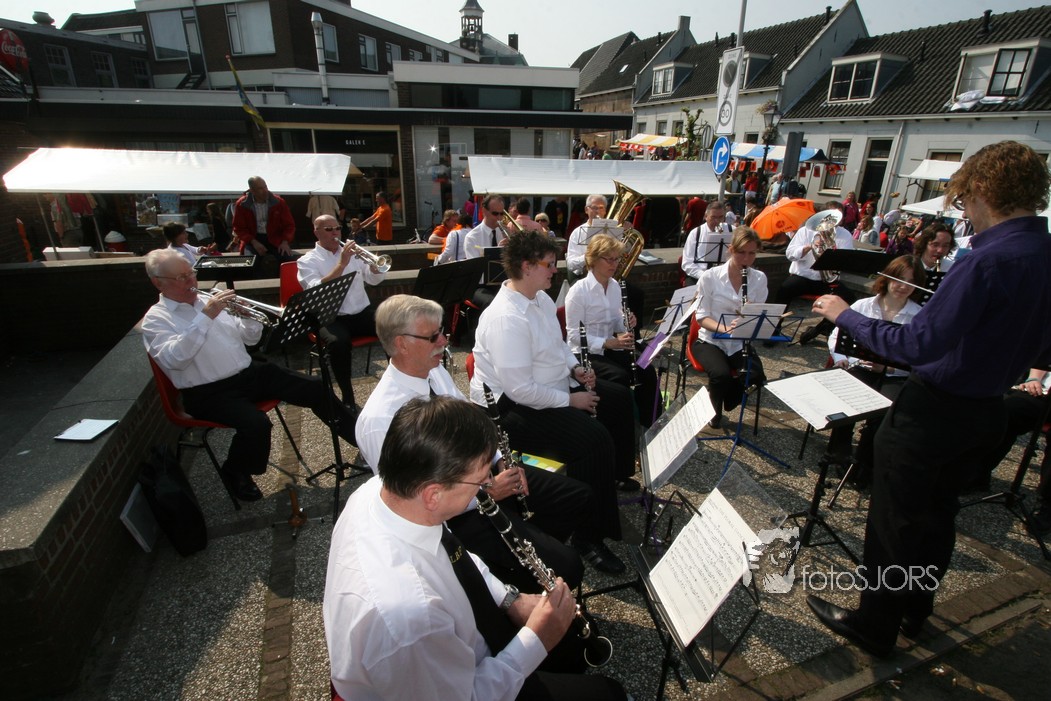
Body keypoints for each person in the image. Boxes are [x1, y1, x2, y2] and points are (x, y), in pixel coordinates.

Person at [806, 140, 1051, 658]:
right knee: (938, 516)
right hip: (987, 409)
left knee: (895, 523)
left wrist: (845, 315)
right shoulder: (1043, 252)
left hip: (934, 411)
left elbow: (917, 345)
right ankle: (915, 609)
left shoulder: (986, 261)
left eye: (964, 201)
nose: (966, 214)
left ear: (982, 188)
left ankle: (875, 624)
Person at [324, 396, 627, 701]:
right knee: (610, 694)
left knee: (571, 645)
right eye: (480, 484)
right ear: (433, 495)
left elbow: (455, 554)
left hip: (456, 640)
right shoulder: (410, 619)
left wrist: (511, 599)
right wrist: (536, 640)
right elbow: (468, 696)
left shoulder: (385, 492)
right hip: (461, 681)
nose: (486, 489)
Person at [355, 295, 589, 590]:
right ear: (402, 344)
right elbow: (412, 502)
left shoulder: (434, 371)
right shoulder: (380, 419)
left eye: (442, 332)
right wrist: (485, 492)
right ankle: (514, 586)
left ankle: (528, 559)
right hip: (454, 518)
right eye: (433, 336)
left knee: (577, 497)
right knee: (570, 567)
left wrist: (499, 460)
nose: (444, 342)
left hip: (482, 480)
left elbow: (473, 426)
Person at [470, 232, 638, 574]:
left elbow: (559, 345)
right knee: (593, 440)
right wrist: (570, 400)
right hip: (509, 410)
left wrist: (576, 369)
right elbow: (520, 390)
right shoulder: (506, 318)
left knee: (619, 399)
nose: (554, 270)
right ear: (527, 267)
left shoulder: (541, 299)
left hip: (547, 389)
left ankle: (613, 478)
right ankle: (588, 536)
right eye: (549, 264)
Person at [141, 249, 356, 502]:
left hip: (248, 373)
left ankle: (361, 439)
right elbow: (174, 359)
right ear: (158, 283)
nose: (191, 281)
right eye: (181, 277)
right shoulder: (156, 320)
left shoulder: (208, 300)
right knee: (256, 424)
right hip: (207, 392)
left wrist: (249, 319)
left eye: (192, 273)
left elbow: (249, 340)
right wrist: (205, 317)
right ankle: (236, 471)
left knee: (314, 387)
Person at [825, 255, 926, 487]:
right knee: (844, 401)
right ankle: (838, 451)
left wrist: (888, 366)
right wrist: (841, 358)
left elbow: (918, 357)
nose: (903, 286)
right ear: (887, 278)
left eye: (911, 282)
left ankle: (865, 463)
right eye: (898, 279)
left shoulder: (919, 315)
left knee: (886, 411)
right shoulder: (863, 306)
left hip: (895, 375)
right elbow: (835, 336)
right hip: (860, 367)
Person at [565, 234, 662, 427]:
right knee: (620, 376)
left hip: (610, 347)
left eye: (617, 259)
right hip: (585, 352)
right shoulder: (578, 291)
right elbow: (574, 335)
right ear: (593, 259)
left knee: (647, 370)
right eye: (609, 259)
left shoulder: (615, 286)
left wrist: (627, 322)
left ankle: (650, 424)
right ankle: (621, 426)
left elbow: (616, 322)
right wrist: (607, 343)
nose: (614, 264)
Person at [297, 214, 386, 406]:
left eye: (337, 228)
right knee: (338, 344)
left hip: (361, 312)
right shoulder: (307, 261)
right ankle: (347, 396)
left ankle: (397, 384)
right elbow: (315, 289)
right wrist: (342, 264)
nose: (335, 233)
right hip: (330, 316)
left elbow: (372, 280)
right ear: (316, 232)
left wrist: (375, 269)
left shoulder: (352, 253)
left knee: (392, 329)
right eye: (328, 229)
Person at [692, 226, 768, 429]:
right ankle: (713, 411)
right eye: (741, 252)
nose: (746, 259)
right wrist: (725, 328)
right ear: (731, 249)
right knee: (720, 375)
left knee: (756, 376)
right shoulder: (710, 277)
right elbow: (701, 317)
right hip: (710, 340)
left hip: (739, 342)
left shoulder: (759, 278)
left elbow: (761, 316)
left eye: (752, 253)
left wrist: (750, 316)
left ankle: (726, 398)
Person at [966, 368, 1051, 528]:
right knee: (1004, 412)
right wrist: (1034, 378)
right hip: (1042, 393)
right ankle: (978, 474)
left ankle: (1047, 505)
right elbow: (1043, 360)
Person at [776, 204, 857, 345]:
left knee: (850, 299)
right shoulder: (805, 231)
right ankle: (774, 329)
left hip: (827, 280)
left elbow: (847, 259)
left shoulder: (844, 234)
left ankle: (819, 329)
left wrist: (832, 251)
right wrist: (808, 247)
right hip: (803, 277)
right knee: (784, 290)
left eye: (838, 216)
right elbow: (790, 254)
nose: (835, 220)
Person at [231, 176, 297, 262]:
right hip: (252, 239)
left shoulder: (278, 202)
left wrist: (285, 242)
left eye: (265, 187)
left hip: (275, 238)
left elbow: (289, 225)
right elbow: (238, 228)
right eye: (260, 188)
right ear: (252, 190)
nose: (265, 190)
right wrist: (253, 241)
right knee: (250, 262)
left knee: (288, 260)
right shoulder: (242, 204)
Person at [680, 201, 732, 286]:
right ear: (705, 216)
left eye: (721, 217)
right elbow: (687, 263)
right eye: (713, 217)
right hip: (698, 276)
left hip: (723, 277)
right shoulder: (695, 233)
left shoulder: (732, 230)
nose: (717, 221)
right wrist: (704, 275)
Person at [565, 194, 610, 279]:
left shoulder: (612, 230)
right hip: (585, 277)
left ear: (605, 211)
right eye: (594, 208)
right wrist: (588, 257)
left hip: (609, 277)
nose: (598, 211)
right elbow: (570, 264)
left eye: (601, 208)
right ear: (586, 210)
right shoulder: (578, 232)